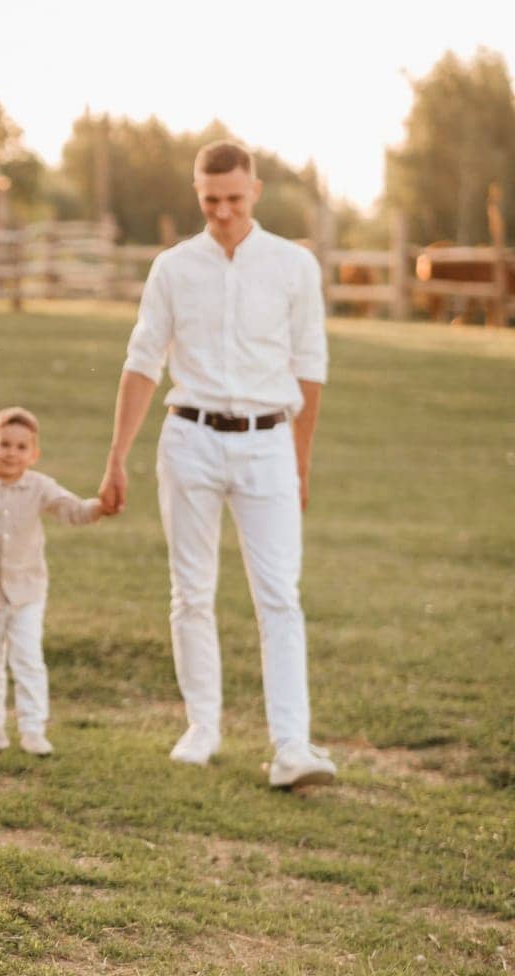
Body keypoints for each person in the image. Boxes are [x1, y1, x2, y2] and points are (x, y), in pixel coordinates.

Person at [98, 140, 336, 789]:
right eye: (211, 201)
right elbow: (143, 361)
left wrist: (300, 460)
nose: (224, 212)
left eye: (234, 199)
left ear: (254, 190)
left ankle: (291, 745)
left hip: (268, 443)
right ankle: (202, 726)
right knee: (191, 591)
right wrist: (116, 456)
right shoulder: (173, 268)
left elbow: (310, 367)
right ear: (197, 195)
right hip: (190, 439)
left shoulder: (293, 266)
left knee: (279, 596)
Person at [0, 406, 107, 756]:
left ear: (33, 454)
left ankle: (33, 729)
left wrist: (98, 507)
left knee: (28, 659)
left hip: (27, 594)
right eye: (5, 444)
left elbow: (70, 509)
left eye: (20, 447)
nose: (11, 453)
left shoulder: (40, 487)